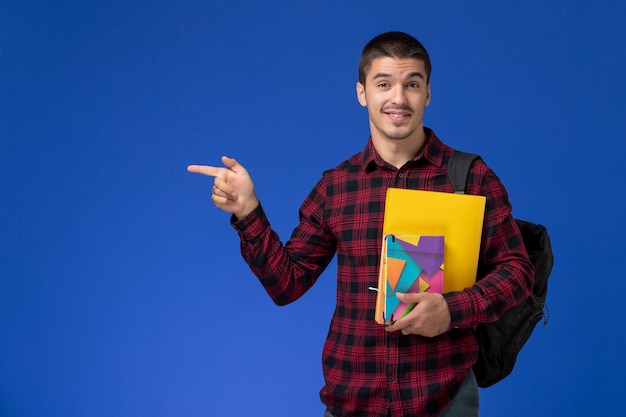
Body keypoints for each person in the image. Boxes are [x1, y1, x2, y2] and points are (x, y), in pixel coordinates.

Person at [188, 31, 534, 417]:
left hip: (445, 398)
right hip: (352, 400)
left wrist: (452, 309)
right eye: (384, 84)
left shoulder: (471, 177)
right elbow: (287, 284)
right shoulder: (337, 186)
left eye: (412, 84)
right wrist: (248, 210)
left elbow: (518, 272)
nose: (398, 98)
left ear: (428, 94)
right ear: (362, 92)